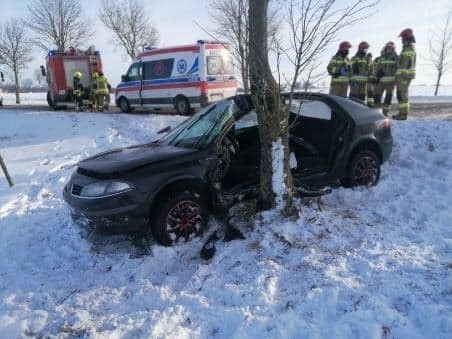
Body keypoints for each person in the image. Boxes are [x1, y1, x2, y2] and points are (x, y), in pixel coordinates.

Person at [393, 28, 416, 120]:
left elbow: (404, 64)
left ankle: (403, 114)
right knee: (402, 93)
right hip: (406, 75)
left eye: (402, 38)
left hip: (404, 76)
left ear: (406, 38)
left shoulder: (408, 49)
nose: (402, 40)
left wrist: (400, 75)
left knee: (402, 94)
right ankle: (402, 113)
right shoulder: (409, 48)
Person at [373, 42, 398, 116]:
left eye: (391, 48)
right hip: (380, 81)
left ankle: (385, 112)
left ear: (393, 49)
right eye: (388, 48)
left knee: (388, 97)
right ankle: (376, 111)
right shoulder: (380, 58)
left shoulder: (397, 58)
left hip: (391, 82)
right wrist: (375, 77)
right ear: (386, 49)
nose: (389, 50)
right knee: (377, 96)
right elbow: (376, 69)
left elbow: (399, 69)